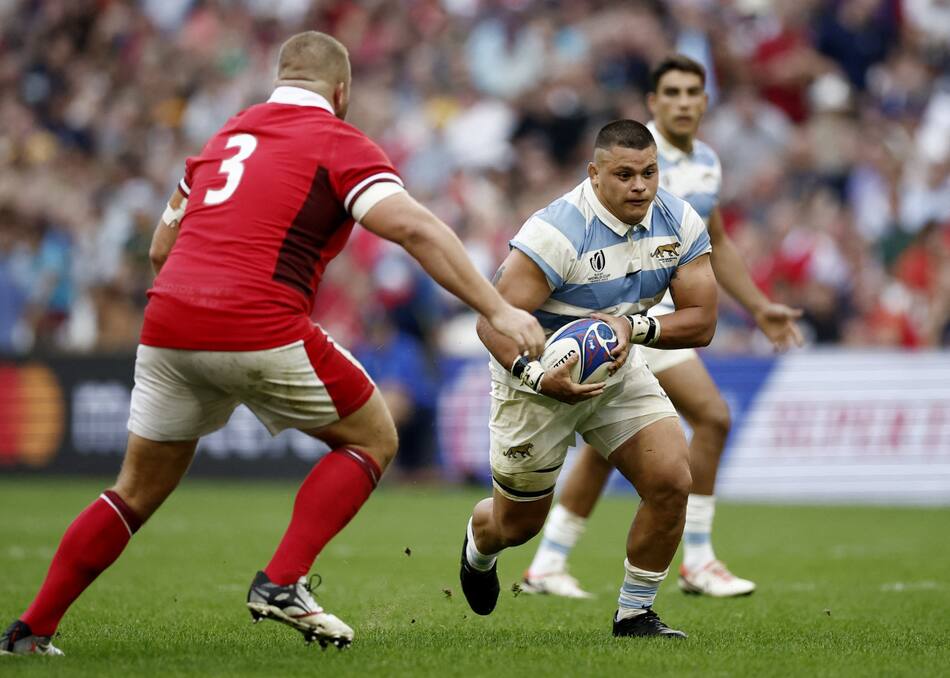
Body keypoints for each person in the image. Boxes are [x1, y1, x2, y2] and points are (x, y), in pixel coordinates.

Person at [0, 31, 544, 657]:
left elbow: (158, 250)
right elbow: (415, 228)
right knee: (373, 437)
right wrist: (498, 308)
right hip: (257, 318)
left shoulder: (223, 138)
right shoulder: (337, 140)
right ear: (341, 92)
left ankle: (30, 629)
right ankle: (283, 581)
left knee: (134, 491)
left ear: (277, 81)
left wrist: (200, 311)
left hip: (168, 322)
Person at [521, 55, 803, 601]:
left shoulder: (706, 164)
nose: (682, 102)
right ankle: (687, 559)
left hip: (656, 324)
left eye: (692, 92)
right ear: (652, 103)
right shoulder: (637, 157)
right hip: (616, 315)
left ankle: (555, 562)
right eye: (670, 92)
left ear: (704, 100)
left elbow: (714, 244)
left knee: (676, 429)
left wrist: (759, 305)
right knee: (688, 423)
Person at [459, 119, 719, 639]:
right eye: (624, 175)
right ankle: (477, 549)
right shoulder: (556, 231)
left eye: (649, 173)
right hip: (534, 380)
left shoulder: (678, 220)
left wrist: (634, 325)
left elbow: (703, 322)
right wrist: (536, 375)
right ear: (594, 174)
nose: (640, 186)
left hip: (618, 368)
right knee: (517, 527)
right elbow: (492, 319)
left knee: (672, 481)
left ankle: (635, 613)